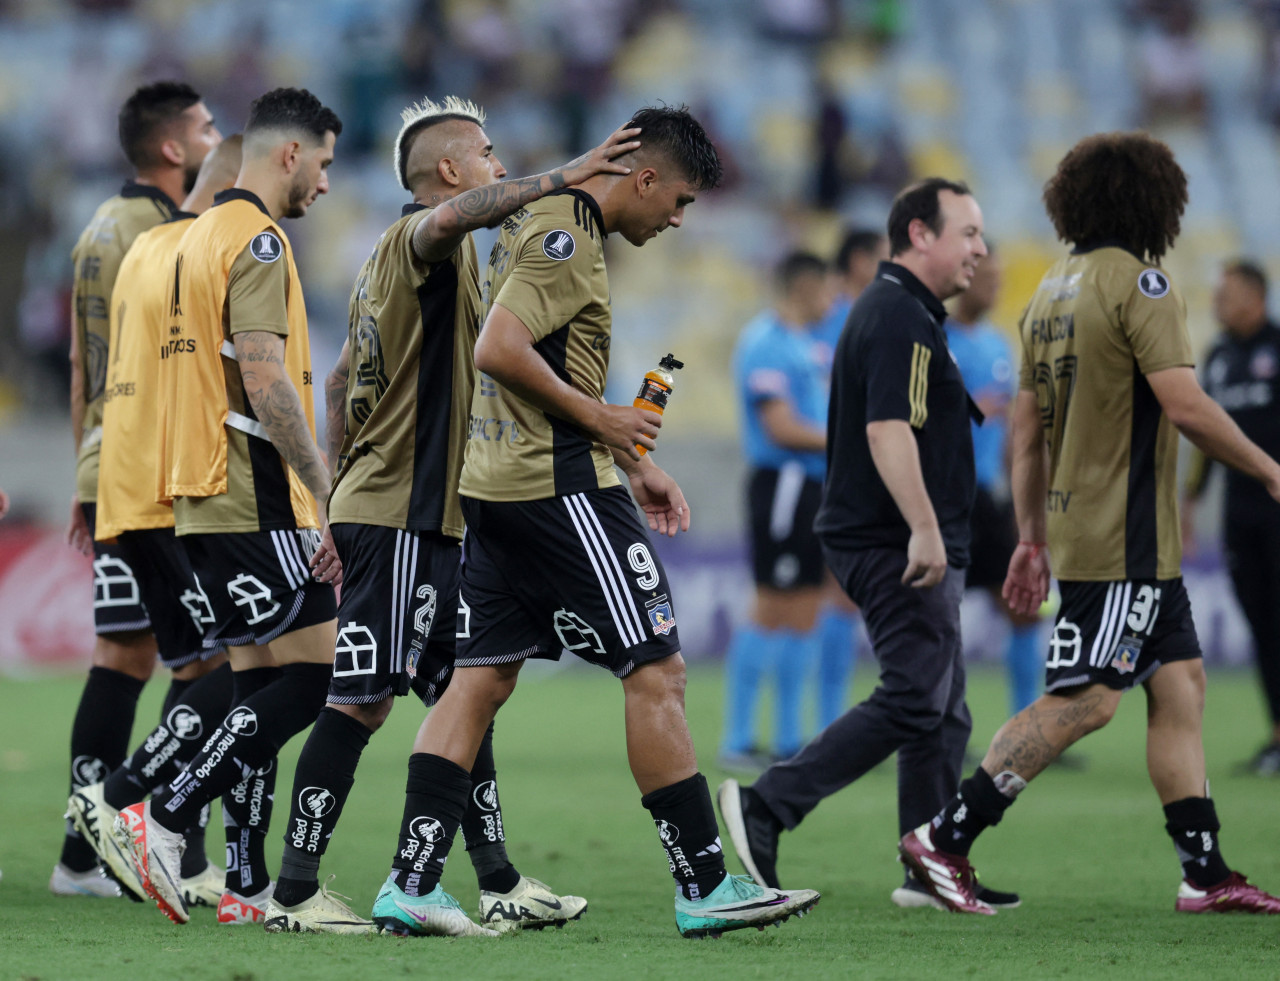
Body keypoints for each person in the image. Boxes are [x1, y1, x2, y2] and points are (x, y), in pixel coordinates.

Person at [362, 103, 819, 940]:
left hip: (496, 487)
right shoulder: (568, 229)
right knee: (658, 670)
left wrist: (637, 461)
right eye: (677, 202)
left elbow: (533, 355)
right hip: (558, 489)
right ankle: (706, 885)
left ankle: (410, 882)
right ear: (643, 178)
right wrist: (608, 425)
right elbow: (497, 347)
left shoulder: (535, 219)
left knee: (482, 679)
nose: (677, 220)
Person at [262, 97, 640, 936]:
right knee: (360, 702)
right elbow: (456, 220)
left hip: (413, 516)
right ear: (449, 171)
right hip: (402, 516)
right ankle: (292, 891)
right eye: (489, 156)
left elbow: (335, 385)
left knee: (465, 694)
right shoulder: (418, 241)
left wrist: (332, 504)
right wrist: (568, 173)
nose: (499, 169)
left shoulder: (388, 265)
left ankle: (497, 878)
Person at [900, 133, 1280, 915]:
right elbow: (1185, 403)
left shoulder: (1049, 291)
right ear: (1153, 200)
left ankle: (1205, 875)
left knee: (1181, 685)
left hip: (1095, 532)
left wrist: (1034, 535)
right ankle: (945, 835)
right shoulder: (1142, 284)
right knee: (1089, 698)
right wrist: (1271, 467)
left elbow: (1027, 432)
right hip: (1125, 536)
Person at [719, 178, 1018, 912]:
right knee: (918, 692)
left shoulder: (903, 311)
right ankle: (768, 803)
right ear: (921, 234)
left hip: (896, 531)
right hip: (892, 536)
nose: (982, 248)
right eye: (970, 232)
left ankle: (930, 862)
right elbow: (888, 430)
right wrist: (924, 526)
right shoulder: (897, 317)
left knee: (943, 708)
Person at [112, 88, 343, 927]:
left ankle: (245, 884)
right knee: (315, 680)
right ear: (289, 154)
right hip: (255, 492)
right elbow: (262, 372)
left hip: (195, 493)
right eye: (321, 162)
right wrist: (325, 488)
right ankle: (163, 814)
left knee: (256, 687)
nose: (323, 183)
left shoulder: (186, 239)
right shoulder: (258, 239)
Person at [65, 137, 244, 914]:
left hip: (117, 471)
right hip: (168, 484)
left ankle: (145, 843)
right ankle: (115, 817)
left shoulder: (107, 230)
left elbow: (87, 364)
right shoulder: (178, 241)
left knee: (172, 657)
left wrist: (87, 466)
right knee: (228, 662)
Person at [720, 252, 833, 770]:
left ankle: (790, 739)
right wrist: (847, 441)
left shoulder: (803, 343)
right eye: (825, 287)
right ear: (805, 285)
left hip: (808, 485)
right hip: (783, 484)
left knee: (806, 608)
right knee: (772, 605)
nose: (831, 298)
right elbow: (781, 429)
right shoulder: (766, 341)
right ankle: (738, 738)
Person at [1184, 259, 1280, 776]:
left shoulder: (1277, 347)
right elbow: (1202, 436)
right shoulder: (1218, 356)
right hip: (1240, 514)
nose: (1218, 300)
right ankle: (1277, 735)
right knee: (1263, 625)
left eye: (1227, 292)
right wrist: (1191, 499)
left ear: (1256, 297)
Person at [945, 246, 1043, 716]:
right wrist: (970, 409)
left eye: (999, 278)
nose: (995, 286)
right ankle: (944, 725)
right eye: (988, 277)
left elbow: (1012, 432)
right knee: (942, 614)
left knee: (1023, 607)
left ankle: (1028, 724)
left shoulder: (998, 343)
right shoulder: (934, 337)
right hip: (947, 496)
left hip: (992, 497)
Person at [809, 228, 886, 730]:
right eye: (880, 256)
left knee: (850, 595)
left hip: (865, 471)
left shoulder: (878, 314)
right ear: (859, 260)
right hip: (827, 472)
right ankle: (827, 719)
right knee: (829, 595)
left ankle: (837, 718)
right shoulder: (829, 319)